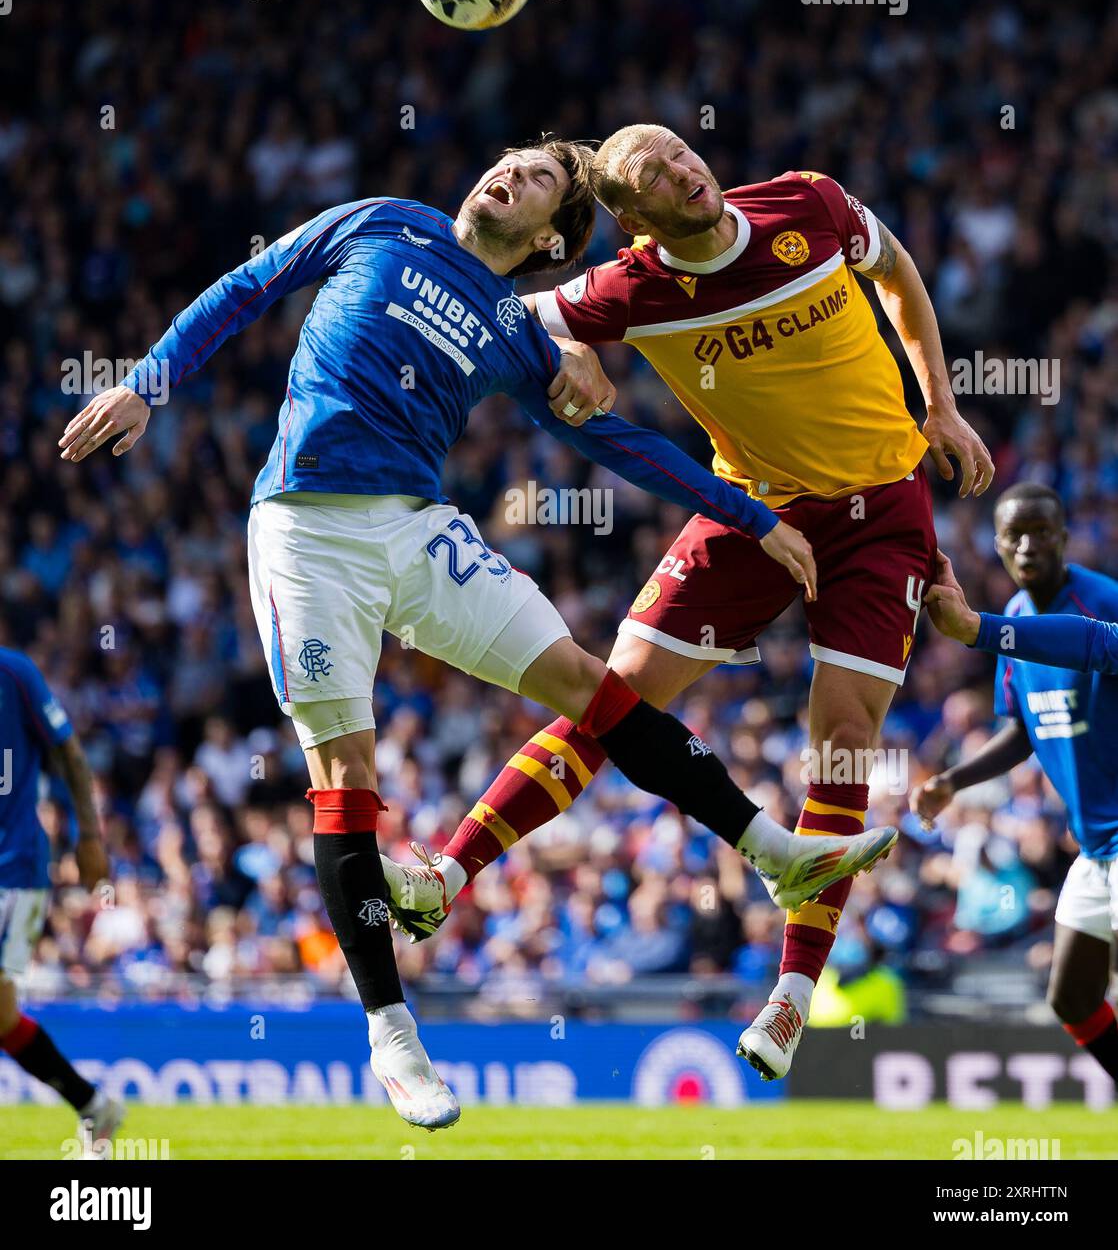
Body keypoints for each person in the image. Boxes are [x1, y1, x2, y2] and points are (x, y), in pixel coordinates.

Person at [59, 136, 895, 1130]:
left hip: (418, 531)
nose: (502, 172)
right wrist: (147, 381)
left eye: (534, 177)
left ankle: (765, 845)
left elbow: (615, 441)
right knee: (344, 776)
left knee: (593, 686)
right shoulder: (381, 220)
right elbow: (252, 283)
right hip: (303, 532)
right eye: (504, 161)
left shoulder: (513, 329)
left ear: (548, 234)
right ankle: (390, 1031)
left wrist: (749, 513)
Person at [390, 122, 992, 1081]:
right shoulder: (633, 289)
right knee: (613, 691)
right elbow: (505, 311)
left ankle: (793, 999)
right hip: (755, 514)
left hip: (884, 515)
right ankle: (446, 873)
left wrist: (942, 404)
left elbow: (899, 272)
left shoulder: (809, 204)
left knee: (840, 735)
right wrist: (565, 358)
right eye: (654, 175)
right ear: (634, 221)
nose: (684, 168)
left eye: (681, 151)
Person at [914, 487, 1118, 1085]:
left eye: (1041, 531)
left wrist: (981, 629)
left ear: (1064, 535)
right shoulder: (1019, 621)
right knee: (1073, 1000)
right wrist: (952, 781)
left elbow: (1095, 644)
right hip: (1096, 849)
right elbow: (1022, 729)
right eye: (1014, 534)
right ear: (997, 544)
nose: (1028, 545)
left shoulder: (1101, 601)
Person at [0, 645, 124, 1153]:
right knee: (4, 1019)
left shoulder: (14, 672)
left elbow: (70, 753)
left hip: (12, 867)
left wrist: (89, 837)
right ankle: (92, 1103)